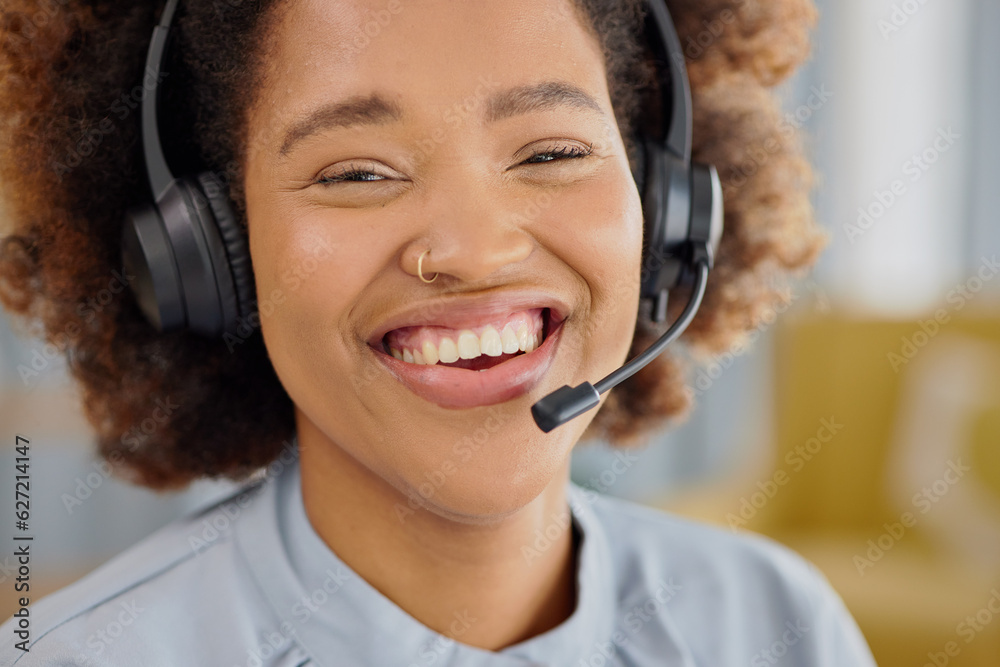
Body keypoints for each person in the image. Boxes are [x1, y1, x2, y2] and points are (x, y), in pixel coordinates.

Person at [0, 0, 876, 664]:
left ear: (667, 208)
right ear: (204, 253)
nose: (474, 250)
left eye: (552, 152)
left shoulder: (777, 626)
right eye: (356, 171)